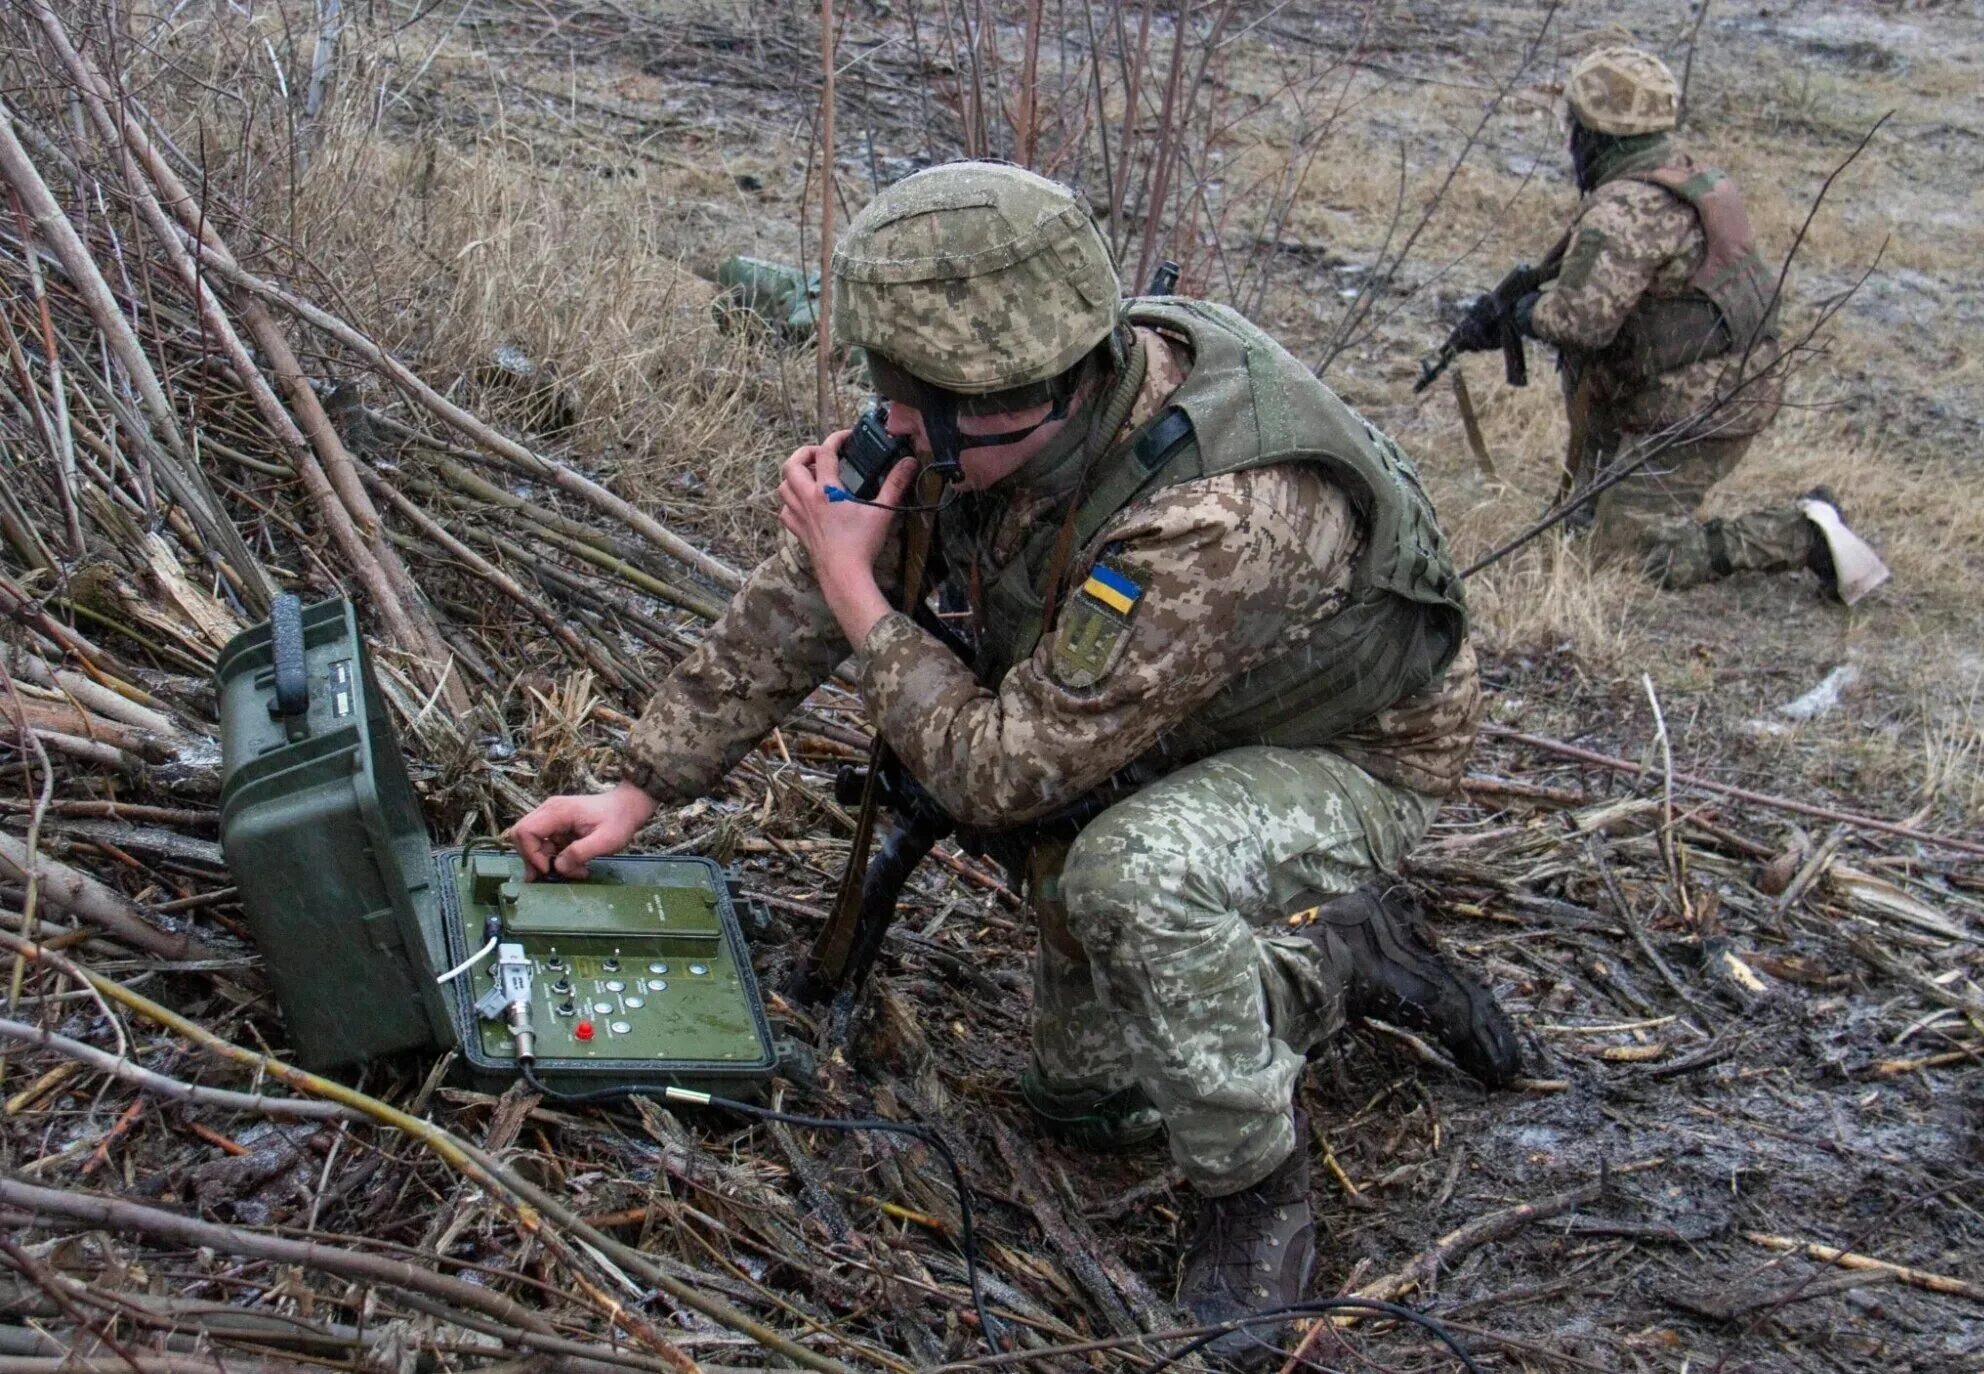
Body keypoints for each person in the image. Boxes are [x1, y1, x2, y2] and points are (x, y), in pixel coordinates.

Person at [510, 161, 1520, 1366]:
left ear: (1035, 391)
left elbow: (996, 769)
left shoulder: (1217, 520)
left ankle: (1256, 1194)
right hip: (1168, 710)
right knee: (1088, 1104)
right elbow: (816, 580)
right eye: (892, 397)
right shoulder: (984, 406)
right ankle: (1336, 962)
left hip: (1345, 745)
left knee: (1131, 879)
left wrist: (854, 585)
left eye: (924, 413)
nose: (899, 431)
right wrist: (641, 785)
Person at [1455, 45, 1885, 602]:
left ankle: (1802, 533)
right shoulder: (1680, 174)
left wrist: (1521, 315)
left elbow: (1579, 322)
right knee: (1575, 533)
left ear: (1592, 133)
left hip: (1698, 409)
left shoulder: (1625, 209)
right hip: (1688, 389)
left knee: (1626, 562)